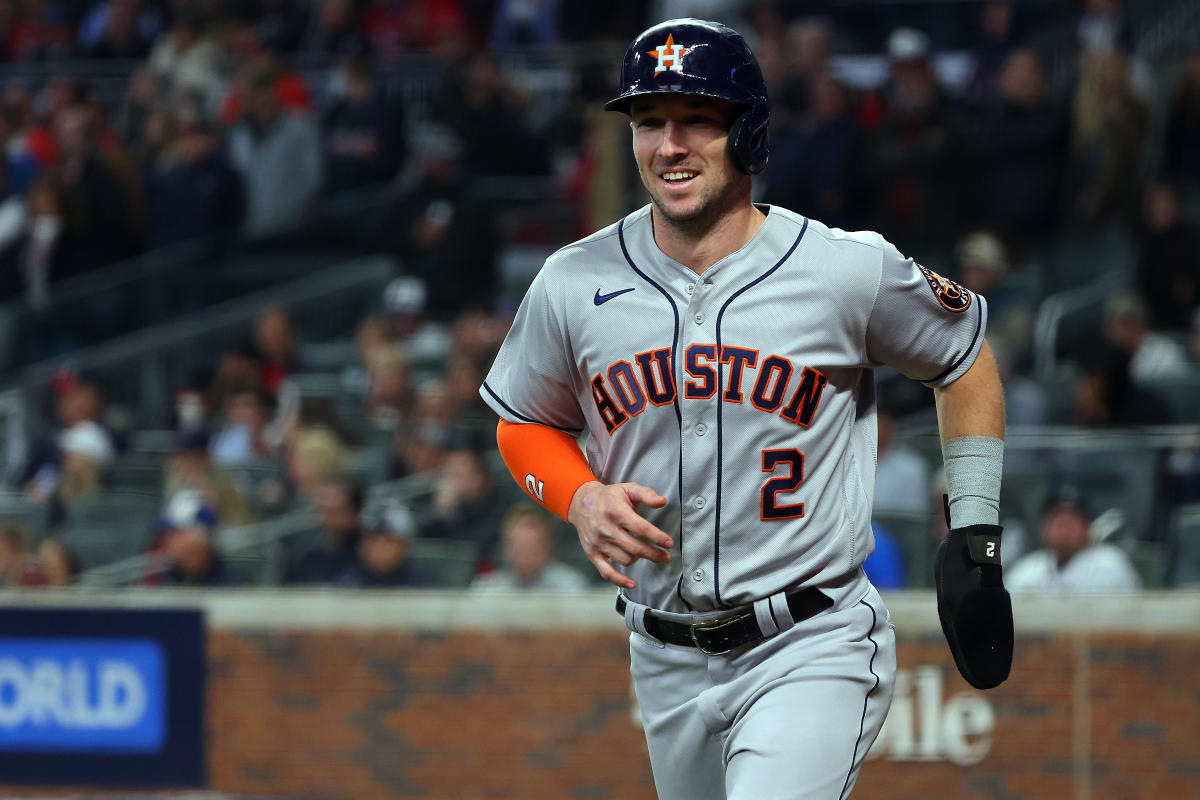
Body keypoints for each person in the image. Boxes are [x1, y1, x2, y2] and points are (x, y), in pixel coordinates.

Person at [480, 19, 1010, 800]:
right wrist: (578, 495)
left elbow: (964, 356)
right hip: (661, 655)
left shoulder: (842, 268)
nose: (669, 144)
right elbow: (524, 420)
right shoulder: (572, 279)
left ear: (748, 132)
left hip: (810, 638)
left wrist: (975, 532)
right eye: (649, 122)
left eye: (697, 119)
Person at [1006, 484, 1140, 593]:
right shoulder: (1027, 569)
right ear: (1045, 528)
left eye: (1071, 520)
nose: (1062, 527)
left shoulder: (1111, 563)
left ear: (1087, 526)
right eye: (1056, 518)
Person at [471, 503, 589, 591]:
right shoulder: (485, 589)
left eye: (532, 550)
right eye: (519, 549)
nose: (525, 558)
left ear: (548, 548)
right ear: (506, 548)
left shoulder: (571, 586)